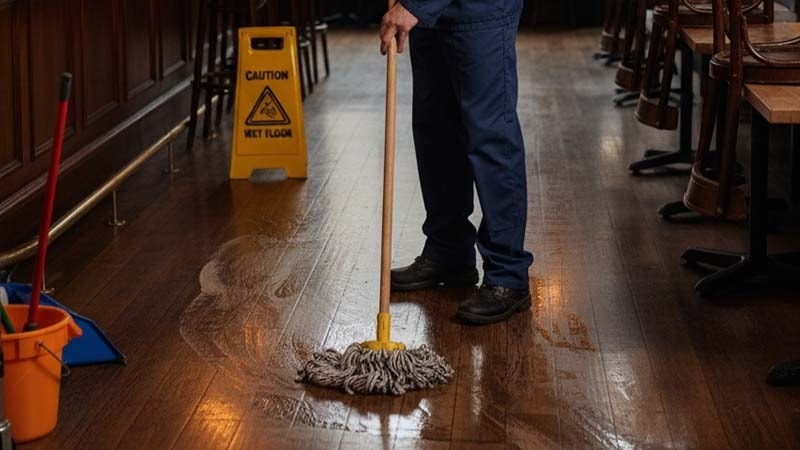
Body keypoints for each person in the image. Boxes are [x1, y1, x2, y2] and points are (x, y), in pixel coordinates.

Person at [380, 0, 533, 325]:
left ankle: (507, 275)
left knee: (491, 137)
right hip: (429, 17)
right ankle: (448, 251)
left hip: (479, 12)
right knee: (436, 131)